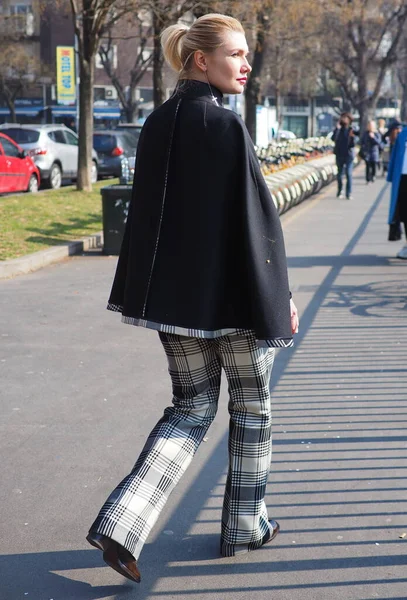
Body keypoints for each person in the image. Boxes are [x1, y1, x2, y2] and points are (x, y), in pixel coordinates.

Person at [85, 13, 299, 583]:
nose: (245, 64)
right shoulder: (225, 127)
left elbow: (151, 221)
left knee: (190, 409)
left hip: (176, 307)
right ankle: (245, 525)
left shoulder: (156, 124)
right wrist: (280, 300)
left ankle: (122, 523)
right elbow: (257, 225)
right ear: (201, 60)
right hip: (236, 306)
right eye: (235, 54)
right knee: (252, 411)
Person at [387, 124, 407, 258]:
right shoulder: (403, 135)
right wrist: (391, 175)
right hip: (403, 178)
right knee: (405, 214)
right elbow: (395, 155)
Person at [332, 112, 356, 199]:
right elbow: (333, 138)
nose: (344, 120)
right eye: (343, 118)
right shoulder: (339, 129)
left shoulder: (351, 129)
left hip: (349, 155)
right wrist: (337, 129)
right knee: (339, 174)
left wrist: (352, 137)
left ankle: (348, 193)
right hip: (339, 154)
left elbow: (353, 143)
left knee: (349, 174)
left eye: (346, 118)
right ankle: (339, 191)